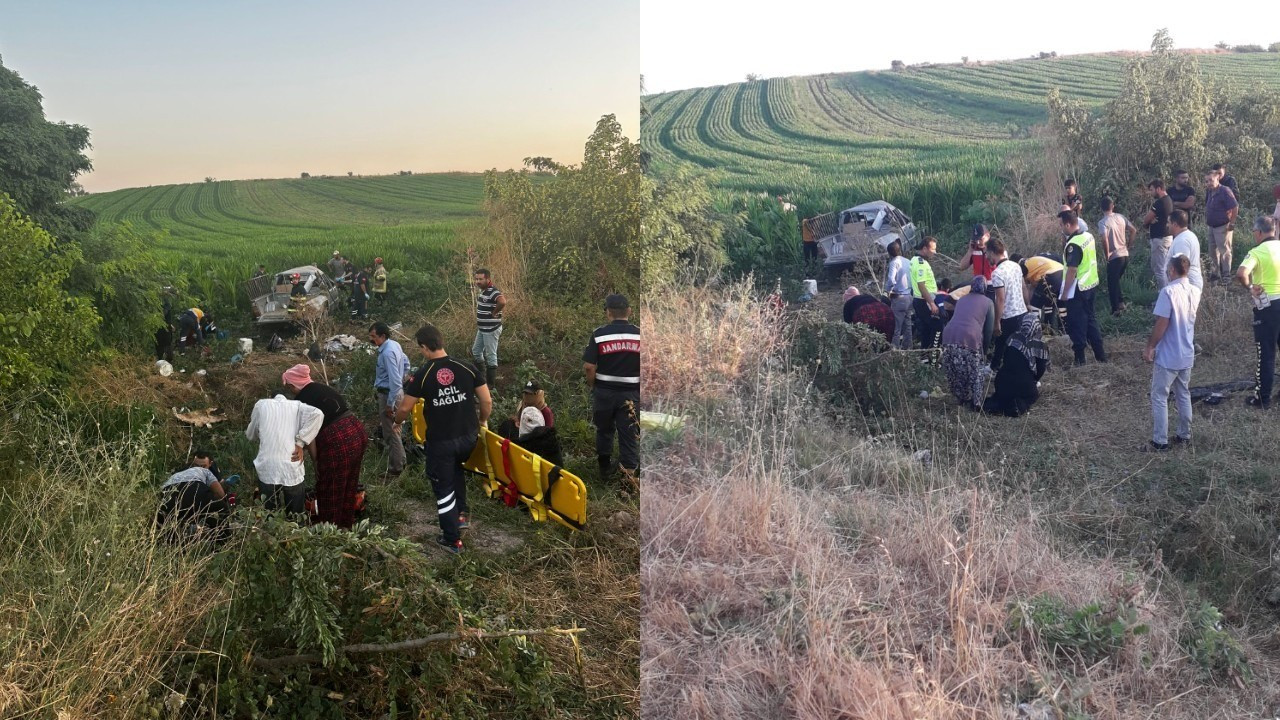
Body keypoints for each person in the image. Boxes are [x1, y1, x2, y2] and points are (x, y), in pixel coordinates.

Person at [394, 324, 492, 553]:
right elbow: (486, 401)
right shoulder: (466, 367)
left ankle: (451, 539)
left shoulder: (423, 374)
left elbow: (405, 408)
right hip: (468, 438)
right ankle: (461, 515)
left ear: (425, 347)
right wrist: (482, 421)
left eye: (421, 349)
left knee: (443, 486)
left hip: (442, 442)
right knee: (457, 470)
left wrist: (397, 421)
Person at [283, 364, 367, 529]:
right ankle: (345, 527)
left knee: (329, 488)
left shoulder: (302, 400)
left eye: (288, 387)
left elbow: (310, 436)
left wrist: (316, 463)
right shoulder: (320, 388)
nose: (290, 390)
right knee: (349, 483)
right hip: (356, 430)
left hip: (338, 438)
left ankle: (329, 533)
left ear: (293, 385)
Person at [1144, 254, 1201, 451]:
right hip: (1186, 352)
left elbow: (1162, 323)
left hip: (1168, 355)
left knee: (1159, 395)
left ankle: (1160, 441)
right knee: (1183, 393)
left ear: (1172, 270)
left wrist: (1150, 346)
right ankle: (1184, 434)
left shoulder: (1168, 292)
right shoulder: (1195, 291)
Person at [584, 294, 641, 483]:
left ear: (608, 313)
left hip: (604, 392)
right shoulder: (640, 334)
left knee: (604, 430)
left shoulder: (599, 334)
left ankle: (604, 469)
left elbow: (589, 367)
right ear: (629, 311)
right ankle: (629, 479)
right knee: (629, 433)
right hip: (631, 394)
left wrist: (593, 386)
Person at [245, 393, 324, 515]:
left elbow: (251, 434)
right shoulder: (297, 406)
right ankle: (294, 531)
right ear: (287, 399)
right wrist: (301, 442)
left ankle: (272, 532)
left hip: (267, 468)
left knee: (269, 513)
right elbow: (318, 414)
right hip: (291, 466)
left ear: (271, 398)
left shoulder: (261, 404)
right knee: (295, 514)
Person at [1236, 215, 1280, 408]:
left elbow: (1241, 273)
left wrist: (1250, 287)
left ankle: (1262, 399)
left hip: (1268, 306)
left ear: (1259, 232)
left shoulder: (1257, 251)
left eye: (1254, 232)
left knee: (1266, 353)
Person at [1057, 210, 1106, 366]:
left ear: (1068, 224)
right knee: (1091, 320)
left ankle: (1080, 360)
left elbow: (1072, 269)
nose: (1061, 229)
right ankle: (1100, 356)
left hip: (1078, 289)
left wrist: (1064, 294)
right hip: (1091, 285)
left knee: (1077, 323)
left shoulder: (1073, 245)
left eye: (1061, 226)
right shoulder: (1088, 236)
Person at [941, 276, 995, 410]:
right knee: (976, 372)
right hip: (970, 337)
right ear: (984, 288)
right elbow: (988, 330)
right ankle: (976, 403)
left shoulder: (962, 299)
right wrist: (984, 350)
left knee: (956, 369)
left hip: (948, 335)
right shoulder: (988, 302)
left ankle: (961, 398)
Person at [982, 311, 1049, 417]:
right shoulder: (1040, 345)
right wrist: (1033, 380)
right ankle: (1017, 407)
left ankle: (994, 405)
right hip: (1023, 384)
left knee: (1001, 397)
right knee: (1033, 395)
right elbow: (1041, 369)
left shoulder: (1013, 337)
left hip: (1002, 380)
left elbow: (1006, 359)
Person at [155, 451, 229, 541]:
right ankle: (222, 543)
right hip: (193, 489)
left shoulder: (176, 474)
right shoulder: (205, 471)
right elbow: (220, 494)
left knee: (167, 528)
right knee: (221, 508)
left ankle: (171, 546)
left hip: (166, 495)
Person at [370, 322, 411, 479]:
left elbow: (394, 381)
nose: (371, 340)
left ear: (383, 336)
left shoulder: (387, 353)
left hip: (389, 395)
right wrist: (403, 377)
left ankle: (396, 469)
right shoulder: (394, 345)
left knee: (391, 432)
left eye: (373, 337)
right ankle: (400, 462)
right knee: (395, 430)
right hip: (394, 393)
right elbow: (406, 363)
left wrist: (390, 404)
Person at [498, 380, 564, 467]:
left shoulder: (546, 412)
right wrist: (517, 421)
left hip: (537, 445)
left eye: (530, 394)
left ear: (539, 394)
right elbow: (519, 419)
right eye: (525, 393)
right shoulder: (523, 405)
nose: (527, 396)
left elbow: (547, 434)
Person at [987, 237, 1027, 370]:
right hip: (1021, 312)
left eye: (987, 254)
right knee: (1019, 345)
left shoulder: (997, 273)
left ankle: (995, 368)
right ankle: (996, 366)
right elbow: (1024, 288)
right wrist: (1027, 306)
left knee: (1002, 343)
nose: (987, 257)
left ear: (993, 252)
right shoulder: (1015, 266)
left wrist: (997, 321)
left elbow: (1000, 299)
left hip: (1008, 316)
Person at [1097, 196, 1136, 315]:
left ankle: (1115, 310)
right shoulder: (1121, 217)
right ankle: (1121, 303)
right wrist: (1128, 245)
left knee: (1112, 283)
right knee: (1116, 281)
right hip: (1124, 255)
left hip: (1114, 256)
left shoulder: (1103, 222)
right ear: (1112, 206)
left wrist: (1107, 254)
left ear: (1101, 208)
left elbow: (1104, 239)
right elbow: (1133, 230)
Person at [472, 268, 505, 390]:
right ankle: (481, 378)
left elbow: (502, 301)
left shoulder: (492, 291)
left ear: (488, 279)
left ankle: (491, 386)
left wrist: (495, 312)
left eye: (481, 279)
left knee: (491, 355)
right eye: (476, 279)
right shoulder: (483, 291)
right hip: (482, 329)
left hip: (491, 329)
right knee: (476, 351)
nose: (478, 281)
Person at [911, 236, 943, 360]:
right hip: (925, 301)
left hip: (920, 300)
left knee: (925, 329)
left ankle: (924, 358)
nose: (935, 252)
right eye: (933, 249)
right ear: (924, 248)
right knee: (938, 327)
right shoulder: (921, 264)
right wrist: (932, 303)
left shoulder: (914, 259)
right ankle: (934, 357)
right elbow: (921, 285)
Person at [1204, 171, 1239, 282]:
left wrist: (1232, 223)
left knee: (1225, 251)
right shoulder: (1209, 191)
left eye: (1211, 180)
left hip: (1223, 226)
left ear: (1217, 178)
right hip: (1211, 226)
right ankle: (1215, 274)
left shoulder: (1225, 191)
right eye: (1206, 181)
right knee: (1212, 251)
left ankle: (1226, 275)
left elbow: (1235, 207)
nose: (1208, 183)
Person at [1143, 179, 1175, 290]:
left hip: (1160, 239)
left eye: (1152, 190)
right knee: (1162, 267)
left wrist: (1147, 222)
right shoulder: (1169, 200)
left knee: (1159, 269)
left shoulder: (1160, 202)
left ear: (1158, 189)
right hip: (1165, 237)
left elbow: (1146, 219)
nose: (1151, 193)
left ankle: (1164, 295)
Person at [884, 240, 913, 349]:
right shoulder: (908, 261)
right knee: (908, 325)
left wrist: (888, 290)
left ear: (889, 253)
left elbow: (891, 279)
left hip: (899, 297)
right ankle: (908, 348)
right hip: (909, 296)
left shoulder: (893, 263)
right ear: (900, 250)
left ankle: (894, 351)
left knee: (896, 327)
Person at [1167, 211, 1203, 290]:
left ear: (1175, 224)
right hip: (1188, 284)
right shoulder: (1189, 235)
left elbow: (1181, 267)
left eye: (1169, 222)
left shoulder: (1182, 241)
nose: (1167, 225)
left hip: (1186, 286)